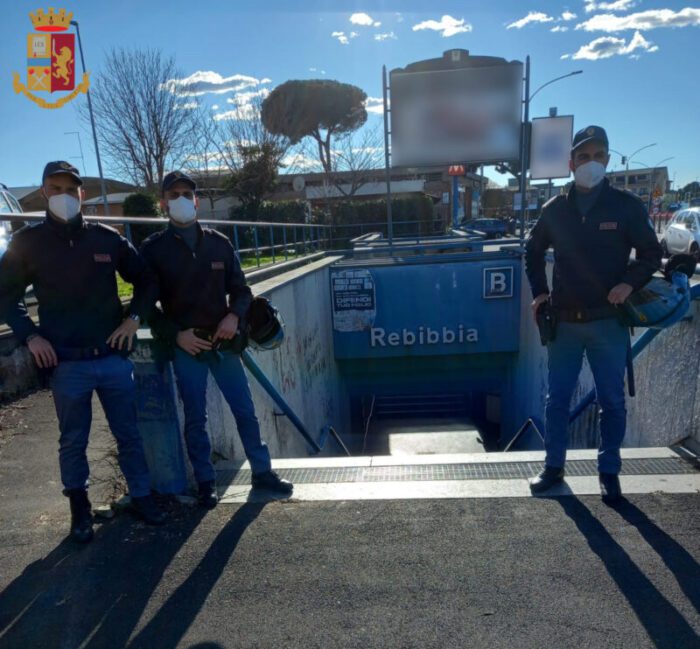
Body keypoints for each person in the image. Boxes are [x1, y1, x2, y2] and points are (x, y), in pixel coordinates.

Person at [0, 161, 166, 543]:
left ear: (82, 194)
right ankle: (79, 510)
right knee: (73, 440)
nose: (63, 195)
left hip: (111, 357)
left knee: (129, 433)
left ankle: (141, 496)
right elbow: (5, 298)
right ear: (44, 192)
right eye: (54, 188)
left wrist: (134, 319)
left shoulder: (106, 239)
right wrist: (31, 337)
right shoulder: (28, 243)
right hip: (66, 362)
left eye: (70, 189)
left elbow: (146, 279)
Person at [525, 126, 663, 503]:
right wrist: (539, 293)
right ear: (571, 163)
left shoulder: (626, 206)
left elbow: (651, 254)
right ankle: (553, 468)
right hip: (565, 324)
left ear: (607, 159)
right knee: (557, 401)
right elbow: (532, 252)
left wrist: (629, 284)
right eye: (583, 157)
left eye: (598, 155)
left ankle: (609, 472)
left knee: (612, 402)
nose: (590, 163)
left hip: (608, 322)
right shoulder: (554, 210)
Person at [140, 171, 293, 508]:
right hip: (188, 346)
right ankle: (206, 481)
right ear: (163, 202)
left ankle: (262, 471)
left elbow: (241, 289)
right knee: (195, 418)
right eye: (174, 194)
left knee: (245, 412)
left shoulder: (219, 243)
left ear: (196, 201)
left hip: (224, 343)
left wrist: (234, 315)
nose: (181, 199)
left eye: (187, 193)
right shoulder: (153, 250)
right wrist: (176, 335)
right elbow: (145, 306)